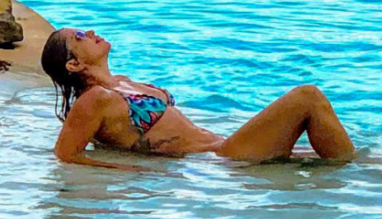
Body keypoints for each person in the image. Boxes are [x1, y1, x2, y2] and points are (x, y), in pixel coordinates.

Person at [41, 27, 356, 169]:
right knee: (308, 97)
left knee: (345, 158)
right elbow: (66, 153)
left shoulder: (124, 83)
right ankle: (352, 178)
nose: (92, 31)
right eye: (80, 37)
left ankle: (356, 173)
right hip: (220, 160)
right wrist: (128, 169)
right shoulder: (94, 99)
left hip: (222, 145)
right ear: (74, 64)